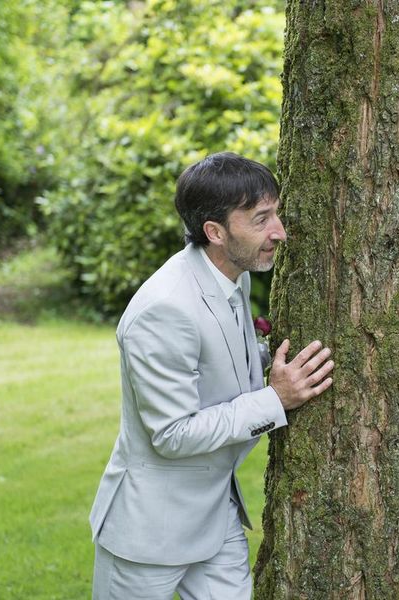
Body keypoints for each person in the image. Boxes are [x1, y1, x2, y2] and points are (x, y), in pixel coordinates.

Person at [89, 152, 334, 599]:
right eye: (261, 220)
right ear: (215, 232)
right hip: (150, 531)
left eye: (275, 214)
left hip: (215, 513)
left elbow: (216, 360)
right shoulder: (163, 309)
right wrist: (275, 400)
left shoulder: (230, 277)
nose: (279, 232)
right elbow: (172, 434)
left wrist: (265, 357)